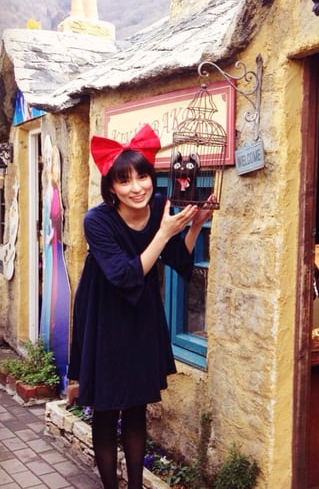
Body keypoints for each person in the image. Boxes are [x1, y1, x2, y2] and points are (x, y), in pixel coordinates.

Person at [67, 124, 213, 489]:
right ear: (111, 187)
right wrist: (164, 233)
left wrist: (195, 226)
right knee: (105, 410)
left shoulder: (161, 207)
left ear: (153, 177)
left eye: (143, 176)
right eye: (124, 180)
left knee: (135, 407)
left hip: (140, 315)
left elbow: (178, 260)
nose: (137, 187)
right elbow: (124, 276)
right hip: (104, 314)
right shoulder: (97, 221)